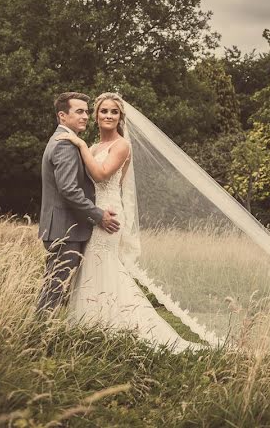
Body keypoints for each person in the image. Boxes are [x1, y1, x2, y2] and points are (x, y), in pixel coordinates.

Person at [55, 92, 202, 352]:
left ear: (120, 117)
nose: (109, 116)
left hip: (108, 214)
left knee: (104, 264)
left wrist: (77, 145)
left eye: (114, 112)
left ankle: (120, 326)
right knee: (94, 267)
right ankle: (94, 326)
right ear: (96, 116)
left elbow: (100, 176)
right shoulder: (93, 147)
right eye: (103, 111)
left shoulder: (121, 145)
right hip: (94, 213)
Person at [37, 92, 121, 314]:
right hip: (65, 229)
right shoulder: (65, 145)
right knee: (54, 288)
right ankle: (35, 338)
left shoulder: (69, 141)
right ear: (62, 116)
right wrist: (98, 215)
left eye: (86, 111)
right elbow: (68, 190)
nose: (85, 116)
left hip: (65, 227)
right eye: (79, 111)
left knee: (54, 286)